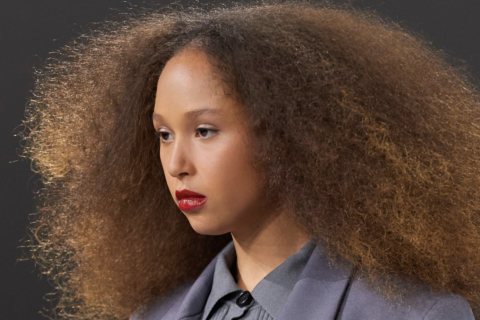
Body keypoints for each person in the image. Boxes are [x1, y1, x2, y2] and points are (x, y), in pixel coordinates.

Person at [19, 1, 480, 319]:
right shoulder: (152, 314)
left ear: (290, 134)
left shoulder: (417, 314)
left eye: (204, 130)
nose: (176, 163)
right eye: (163, 134)